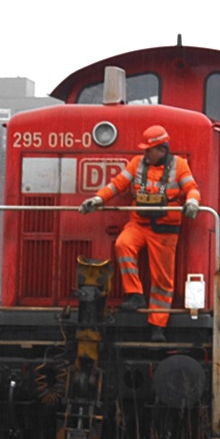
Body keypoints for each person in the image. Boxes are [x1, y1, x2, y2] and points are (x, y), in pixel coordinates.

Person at [80, 125, 201, 341]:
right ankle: (134, 295)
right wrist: (98, 199)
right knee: (122, 244)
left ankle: (157, 326)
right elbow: (117, 184)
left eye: (149, 149)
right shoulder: (136, 164)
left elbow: (191, 187)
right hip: (139, 224)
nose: (145, 153)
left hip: (165, 231)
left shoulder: (179, 165)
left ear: (162, 150)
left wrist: (192, 201)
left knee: (162, 281)